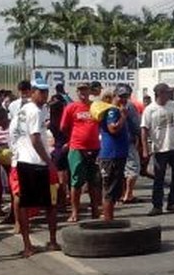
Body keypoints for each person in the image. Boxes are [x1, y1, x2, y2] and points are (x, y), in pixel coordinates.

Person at [9, 79, 59, 256]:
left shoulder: (22, 111)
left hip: (24, 160)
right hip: (35, 163)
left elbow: (13, 134)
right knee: (50, 204)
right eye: (40, 91)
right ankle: (48, 241)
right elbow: (35, 139)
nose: (44, 95)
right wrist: (49, 161)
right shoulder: (35, 112)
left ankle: (29, 244)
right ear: (32, 92)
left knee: (29, 203)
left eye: (46, 91)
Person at [141, 83, 174, 216]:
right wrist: (145, 148)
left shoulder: (172, 105)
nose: (169, 94)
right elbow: (144, 130)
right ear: (159, 94)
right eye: (166, 92)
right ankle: (157, 205)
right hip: (160, 148)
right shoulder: (150, 110)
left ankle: (172, 203)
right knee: (159, 178)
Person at [60, 80, 101, 223]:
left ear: (90, 91)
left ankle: (95, 210)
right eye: (80, 90)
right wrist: (73, 140)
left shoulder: (95, 107)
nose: (83, 93)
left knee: (94, 181)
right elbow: (64, 128)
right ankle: (75, 212)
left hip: (95, 148)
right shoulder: (71, 107)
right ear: (77, 92)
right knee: (76, 181)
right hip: (77, 148)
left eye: (85, 90)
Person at [97, 87, 131, 221]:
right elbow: (113, 129)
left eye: (125, 97)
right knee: (110, 191)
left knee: (115, 190)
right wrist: (123, 116)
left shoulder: (118, 110)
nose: (123, 99)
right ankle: (108, 221)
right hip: (111, 155)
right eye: (120, 96)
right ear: (114, 97)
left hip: (119, 155)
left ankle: (109, 218)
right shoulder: (113, 111)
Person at [120, 87, 144, 203]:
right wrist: (141, 138)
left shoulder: (112, 106)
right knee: (133, 168)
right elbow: (136, 124)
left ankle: (123, 193)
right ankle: (128, 194)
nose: (124, 98)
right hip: (128, 141)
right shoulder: (129, 106)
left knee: (123, 169)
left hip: (116, 143)